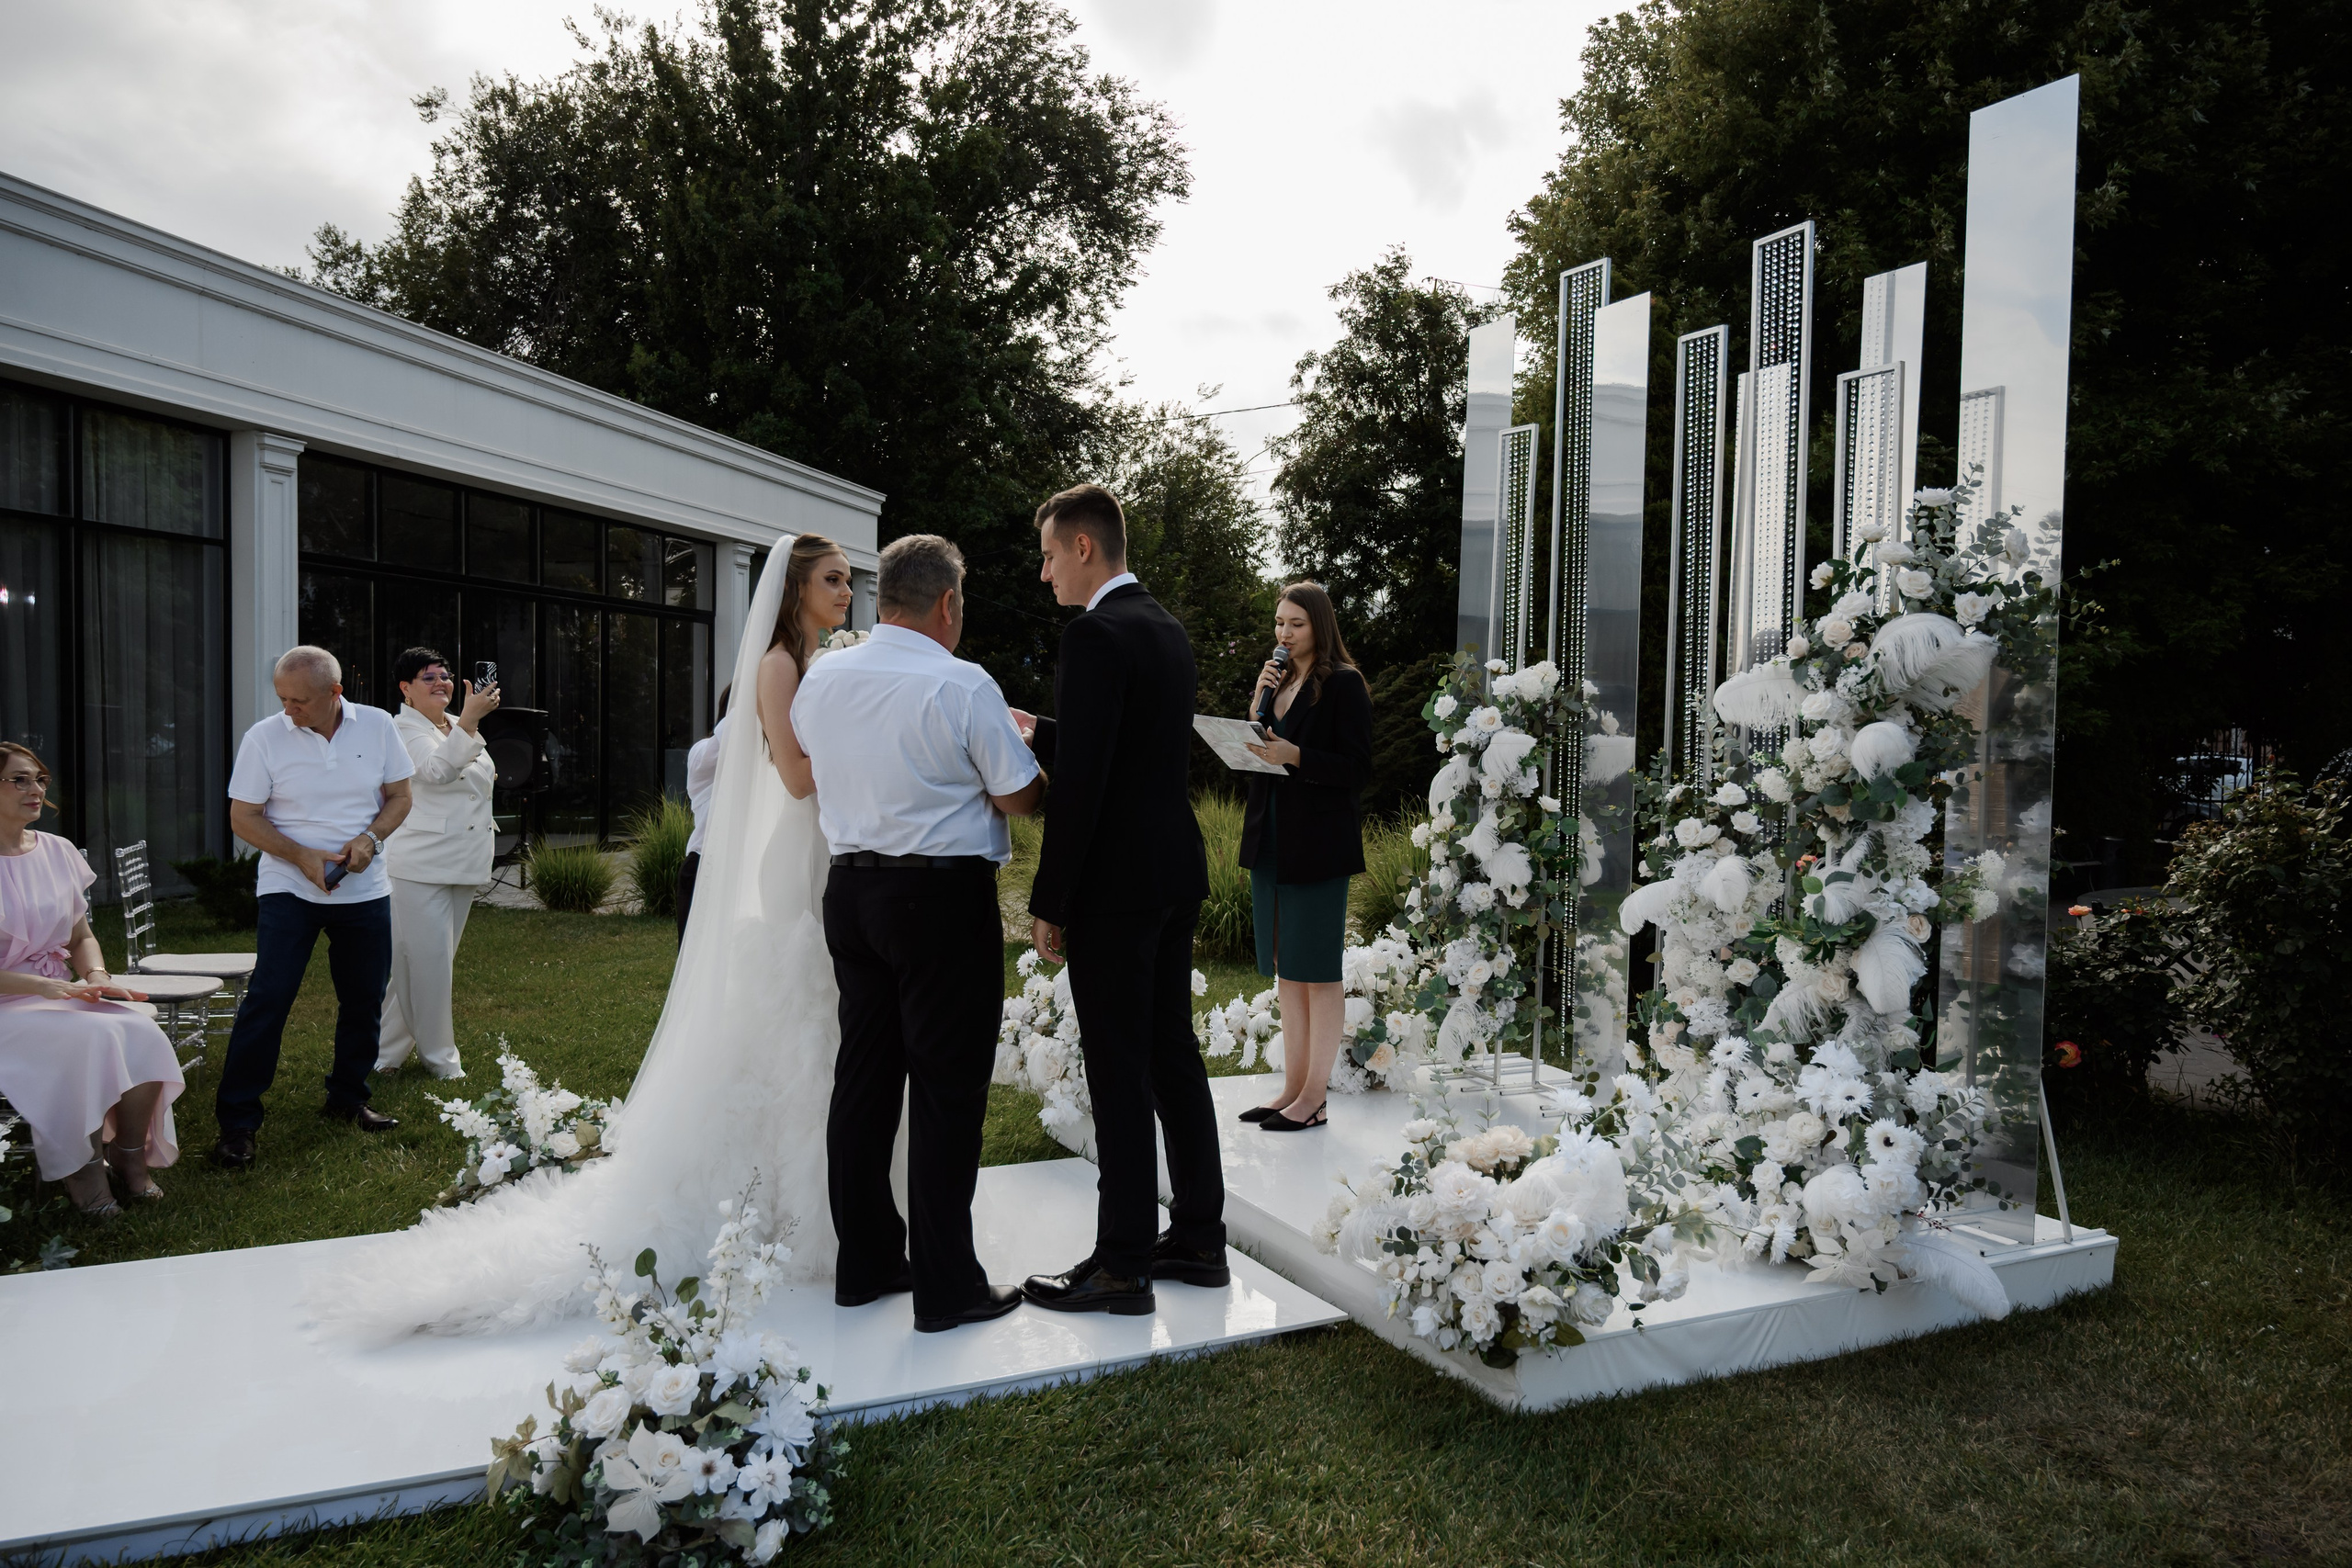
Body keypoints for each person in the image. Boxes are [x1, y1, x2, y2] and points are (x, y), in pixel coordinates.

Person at [308, 539, 854, 1341]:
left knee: (811, 1019)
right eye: (834, 579)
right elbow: (798, 775)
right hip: (797, 844)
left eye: (848, 579)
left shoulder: (814, 659)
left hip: (814, 846)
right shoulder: (778, 662)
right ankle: (772, 1197)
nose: (846, 591)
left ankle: (817, 1191)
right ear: (796, 587)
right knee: (790, 1012)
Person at [792, 534, 1045, 1333]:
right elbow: (1017, 799)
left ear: (881, 600)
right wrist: (1025, 751)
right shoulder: (962, 682)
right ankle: (947, 1286)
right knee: (946, 1091)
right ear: (947, 604)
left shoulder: (823, 676)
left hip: (851, 893)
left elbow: (818, 760)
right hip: (937, 900)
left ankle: (864, 1265)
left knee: (863, 1082)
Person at [1018, 483, 1228, 1317]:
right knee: (1171, 1055)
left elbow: (1090, 786)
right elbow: (1132, 747)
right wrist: (1044, 726)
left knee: (1117, 1070)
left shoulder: (1094, 634)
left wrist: (1050, 898)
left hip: (1114, 888)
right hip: (1172, 873)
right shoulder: (1162, 627)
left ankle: (1122, 1264)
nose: (1043, 575)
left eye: (1045, 555)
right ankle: (1201, 1239)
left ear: (1081, 547)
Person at [212, 646, 415, 1169]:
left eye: (298, 701)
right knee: (269, 999)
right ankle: (237, 1123)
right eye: (281, 699)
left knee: (363, 998)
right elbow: (244, 817)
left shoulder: (377, 727)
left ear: (334, 692)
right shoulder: (264, 737)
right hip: (288, 885)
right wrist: (299, 855)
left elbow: (400, 796)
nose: (288, 711)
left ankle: (349, 1098)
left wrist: (371, 839)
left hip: (365, 887)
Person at [0, 742, 183, 1215]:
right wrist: (43, 986)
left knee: (141, 1030)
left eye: (39, 779)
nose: (35, 789)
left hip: (60, 992)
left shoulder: (57, 851)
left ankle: (127, 1156)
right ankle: (83, 1172)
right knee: (90, 1039)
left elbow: (81, 936)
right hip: (12, 1003)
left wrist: (98, 976)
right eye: (19, 779)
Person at [1236, 581, 1373, 1133]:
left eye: (1295, 623)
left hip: (1318, 845)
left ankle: (1315, 1096)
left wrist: (1295, 754)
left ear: (1319, 625)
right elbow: (1260, 751)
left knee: (1317, 970)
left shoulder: (1344, 685)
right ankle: (1290, 1089)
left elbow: (1357, 769)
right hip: (1270, 837)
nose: (1283, 634)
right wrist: (1253, 710)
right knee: (1287, 971)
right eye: (1278, 623)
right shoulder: (1277, 682)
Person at [375, 648, 501, 1080]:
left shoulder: (451, 726)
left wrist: (464, 724)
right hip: (418, 866)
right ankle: (441, 1059)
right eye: (428, 678)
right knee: (429, 965)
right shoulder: (402, 729)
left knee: (419, 964)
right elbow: (435, 772)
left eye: (445, 676)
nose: (441, 683)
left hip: (462, 861)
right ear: (405, 689)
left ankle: (384, 1054)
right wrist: (470, 721)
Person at [674, 685, 732, 945]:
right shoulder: (703, 752)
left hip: (738, 871)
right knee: (693, 959)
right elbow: (732, 736)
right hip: (702, 867)